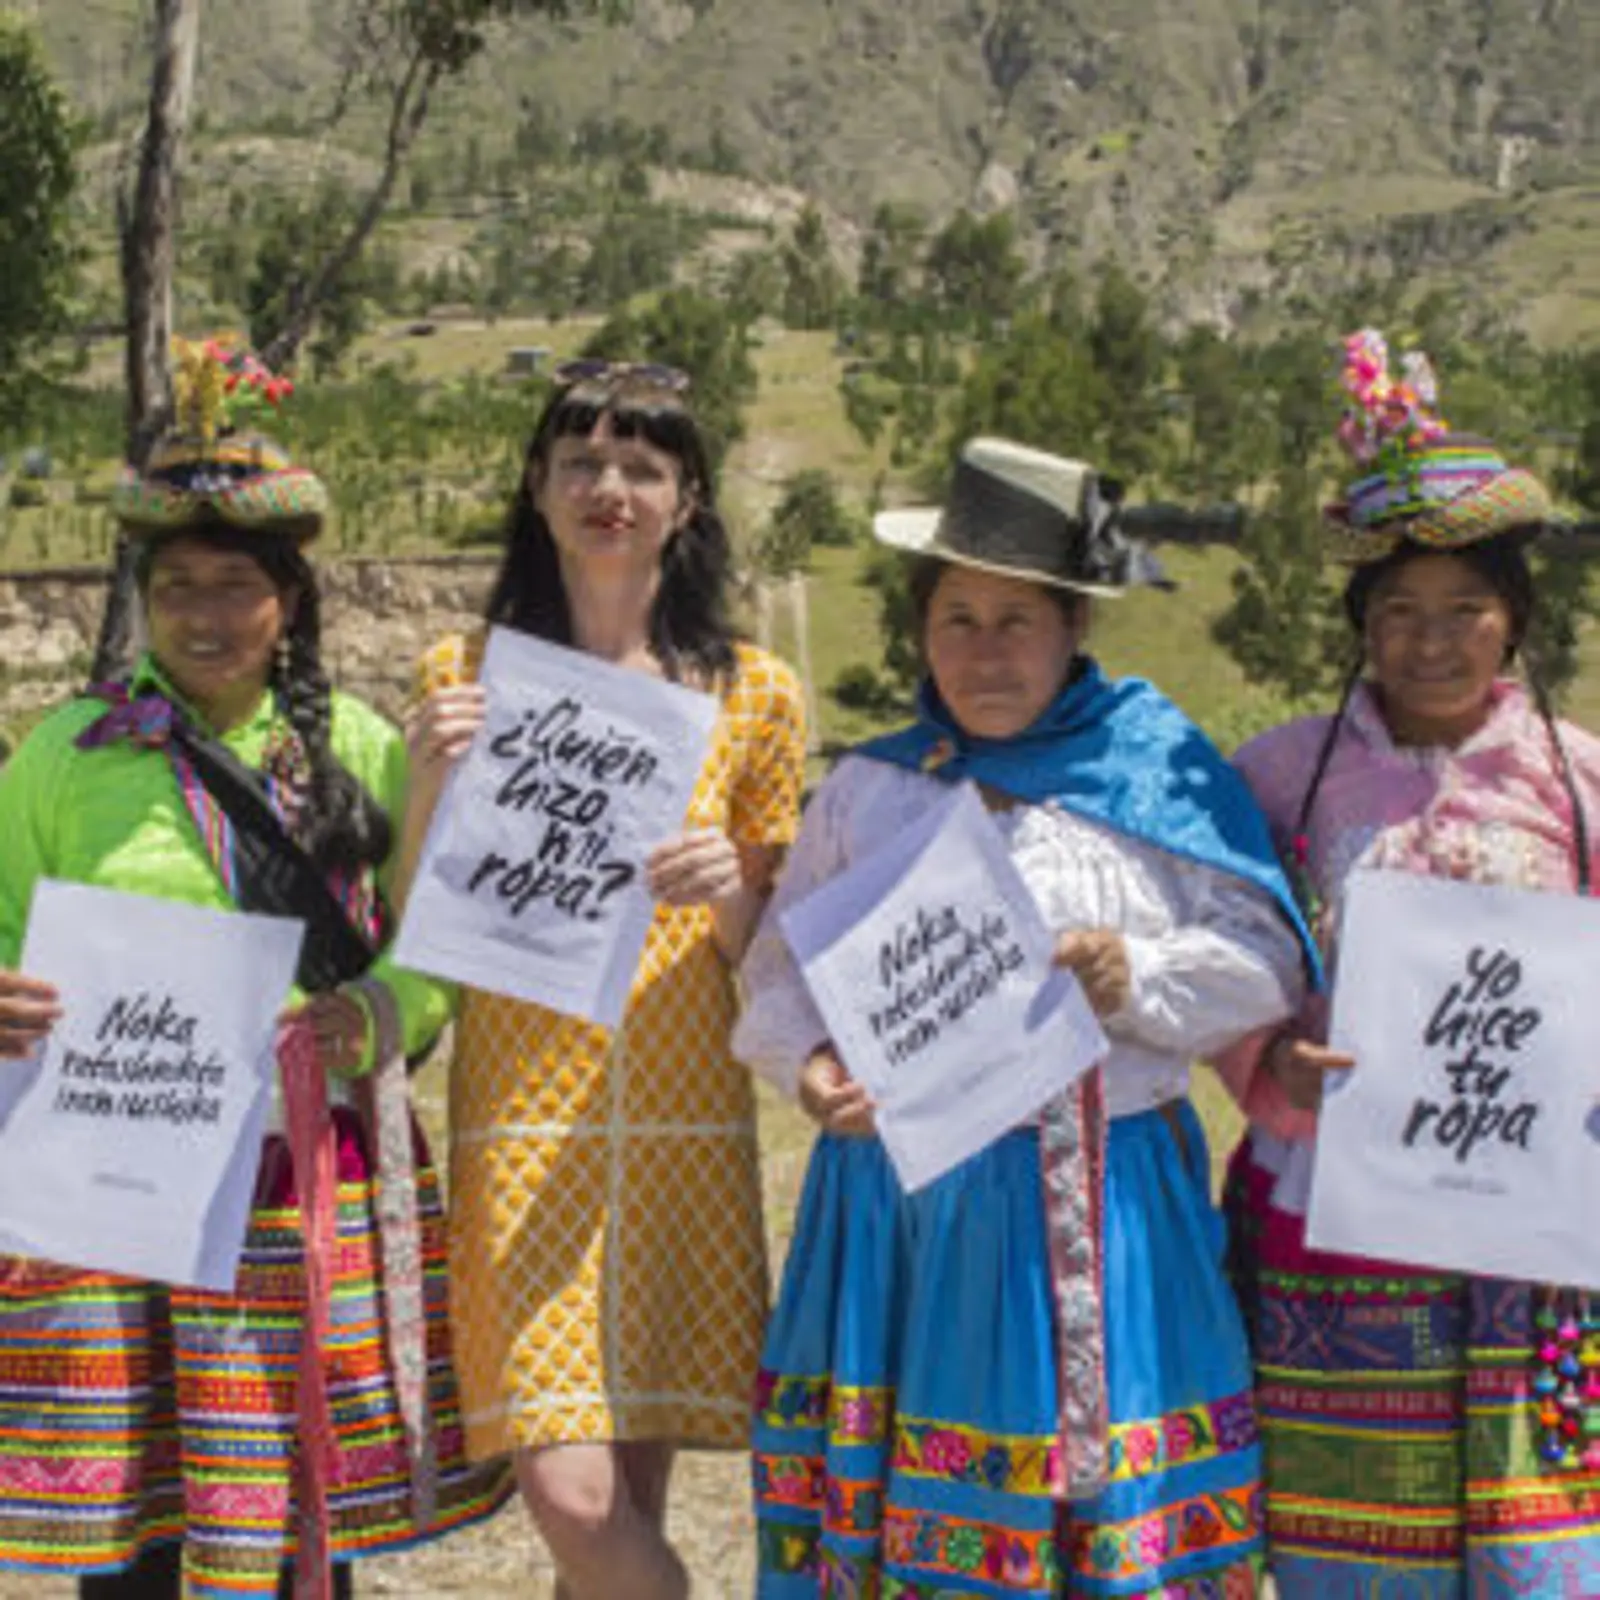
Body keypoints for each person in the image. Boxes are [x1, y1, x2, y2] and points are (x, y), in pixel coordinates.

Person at [733, 436, 1318, 1598]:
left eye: (1017, 621)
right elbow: (779, 970)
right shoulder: (874, 788)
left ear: (1073, 629)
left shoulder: (1158, 776)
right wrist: (805, 1066)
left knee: (1112, 1527)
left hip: (1110, 1196)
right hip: (911, 1207)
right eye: (957, 619)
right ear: (919, 631)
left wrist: (1134, 975)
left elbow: (1266, 960)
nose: (984, 651)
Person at [0, 339, 507, 1599]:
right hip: (113, 1173)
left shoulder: (368, 754)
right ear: (143, 597)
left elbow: (435, 956)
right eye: (178, 588)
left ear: (291, 599)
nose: (207, 617)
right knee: (133, 1513)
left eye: (238, 585)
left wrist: (374, 1013)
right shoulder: (66, 753)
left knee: (290, 1509)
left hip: (295, 1173)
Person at [402, 357, 807, 1599]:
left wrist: (727, 883)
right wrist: (426, 779)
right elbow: (415, 917)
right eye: (581, 460)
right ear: (537, 485)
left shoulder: (757, 695)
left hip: (679, 1117)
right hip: (523, 1118)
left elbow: (773, 957)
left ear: (688, 499)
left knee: (629, 1500)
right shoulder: (461, 675)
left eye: (643, 465)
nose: (609, 487)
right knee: (572, 1497)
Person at [1214, 330, 1600, 1596]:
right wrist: (1270, 1059)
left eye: (1464, 610)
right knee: (1349, 1566)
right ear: (1359, 623)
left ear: (1516, 620)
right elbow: (1223, 961)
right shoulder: (1278, 776)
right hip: (1333, 1223)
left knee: (1542, 1566)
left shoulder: (1580, 785)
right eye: (1398, 611)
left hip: (1537, 1248)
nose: (1431, 641)